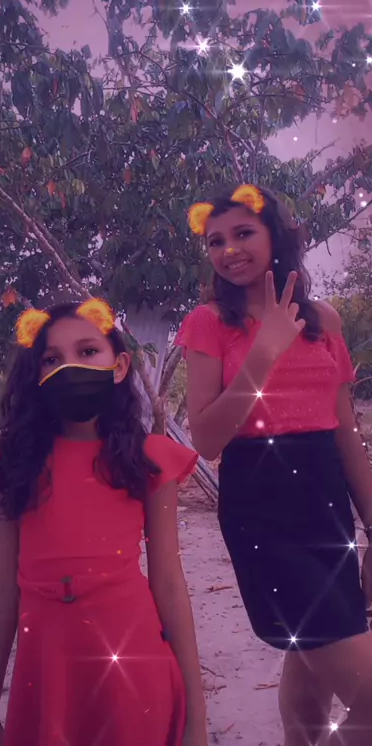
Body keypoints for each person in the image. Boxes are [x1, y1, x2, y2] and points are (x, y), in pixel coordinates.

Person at [176, 184, 372, 746]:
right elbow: (206, 438)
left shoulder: (324, 320)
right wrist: (264, 352)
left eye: (243, 233)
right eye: (216, 241)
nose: (228, 250)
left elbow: (345, 434)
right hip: (263, 514)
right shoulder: (209, 322)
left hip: (326, 508)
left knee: (309, 673)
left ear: (276, 236)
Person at [0, 298, 207, 746]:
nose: (70, 367)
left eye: (87, 351)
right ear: (37, 376)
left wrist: (197, 718)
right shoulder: (15, 463)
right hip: (45, 672)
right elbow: (2, 588)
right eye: (51, 359)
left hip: (133, 669)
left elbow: (168, 583)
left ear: (119, 366)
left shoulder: (148, 460)